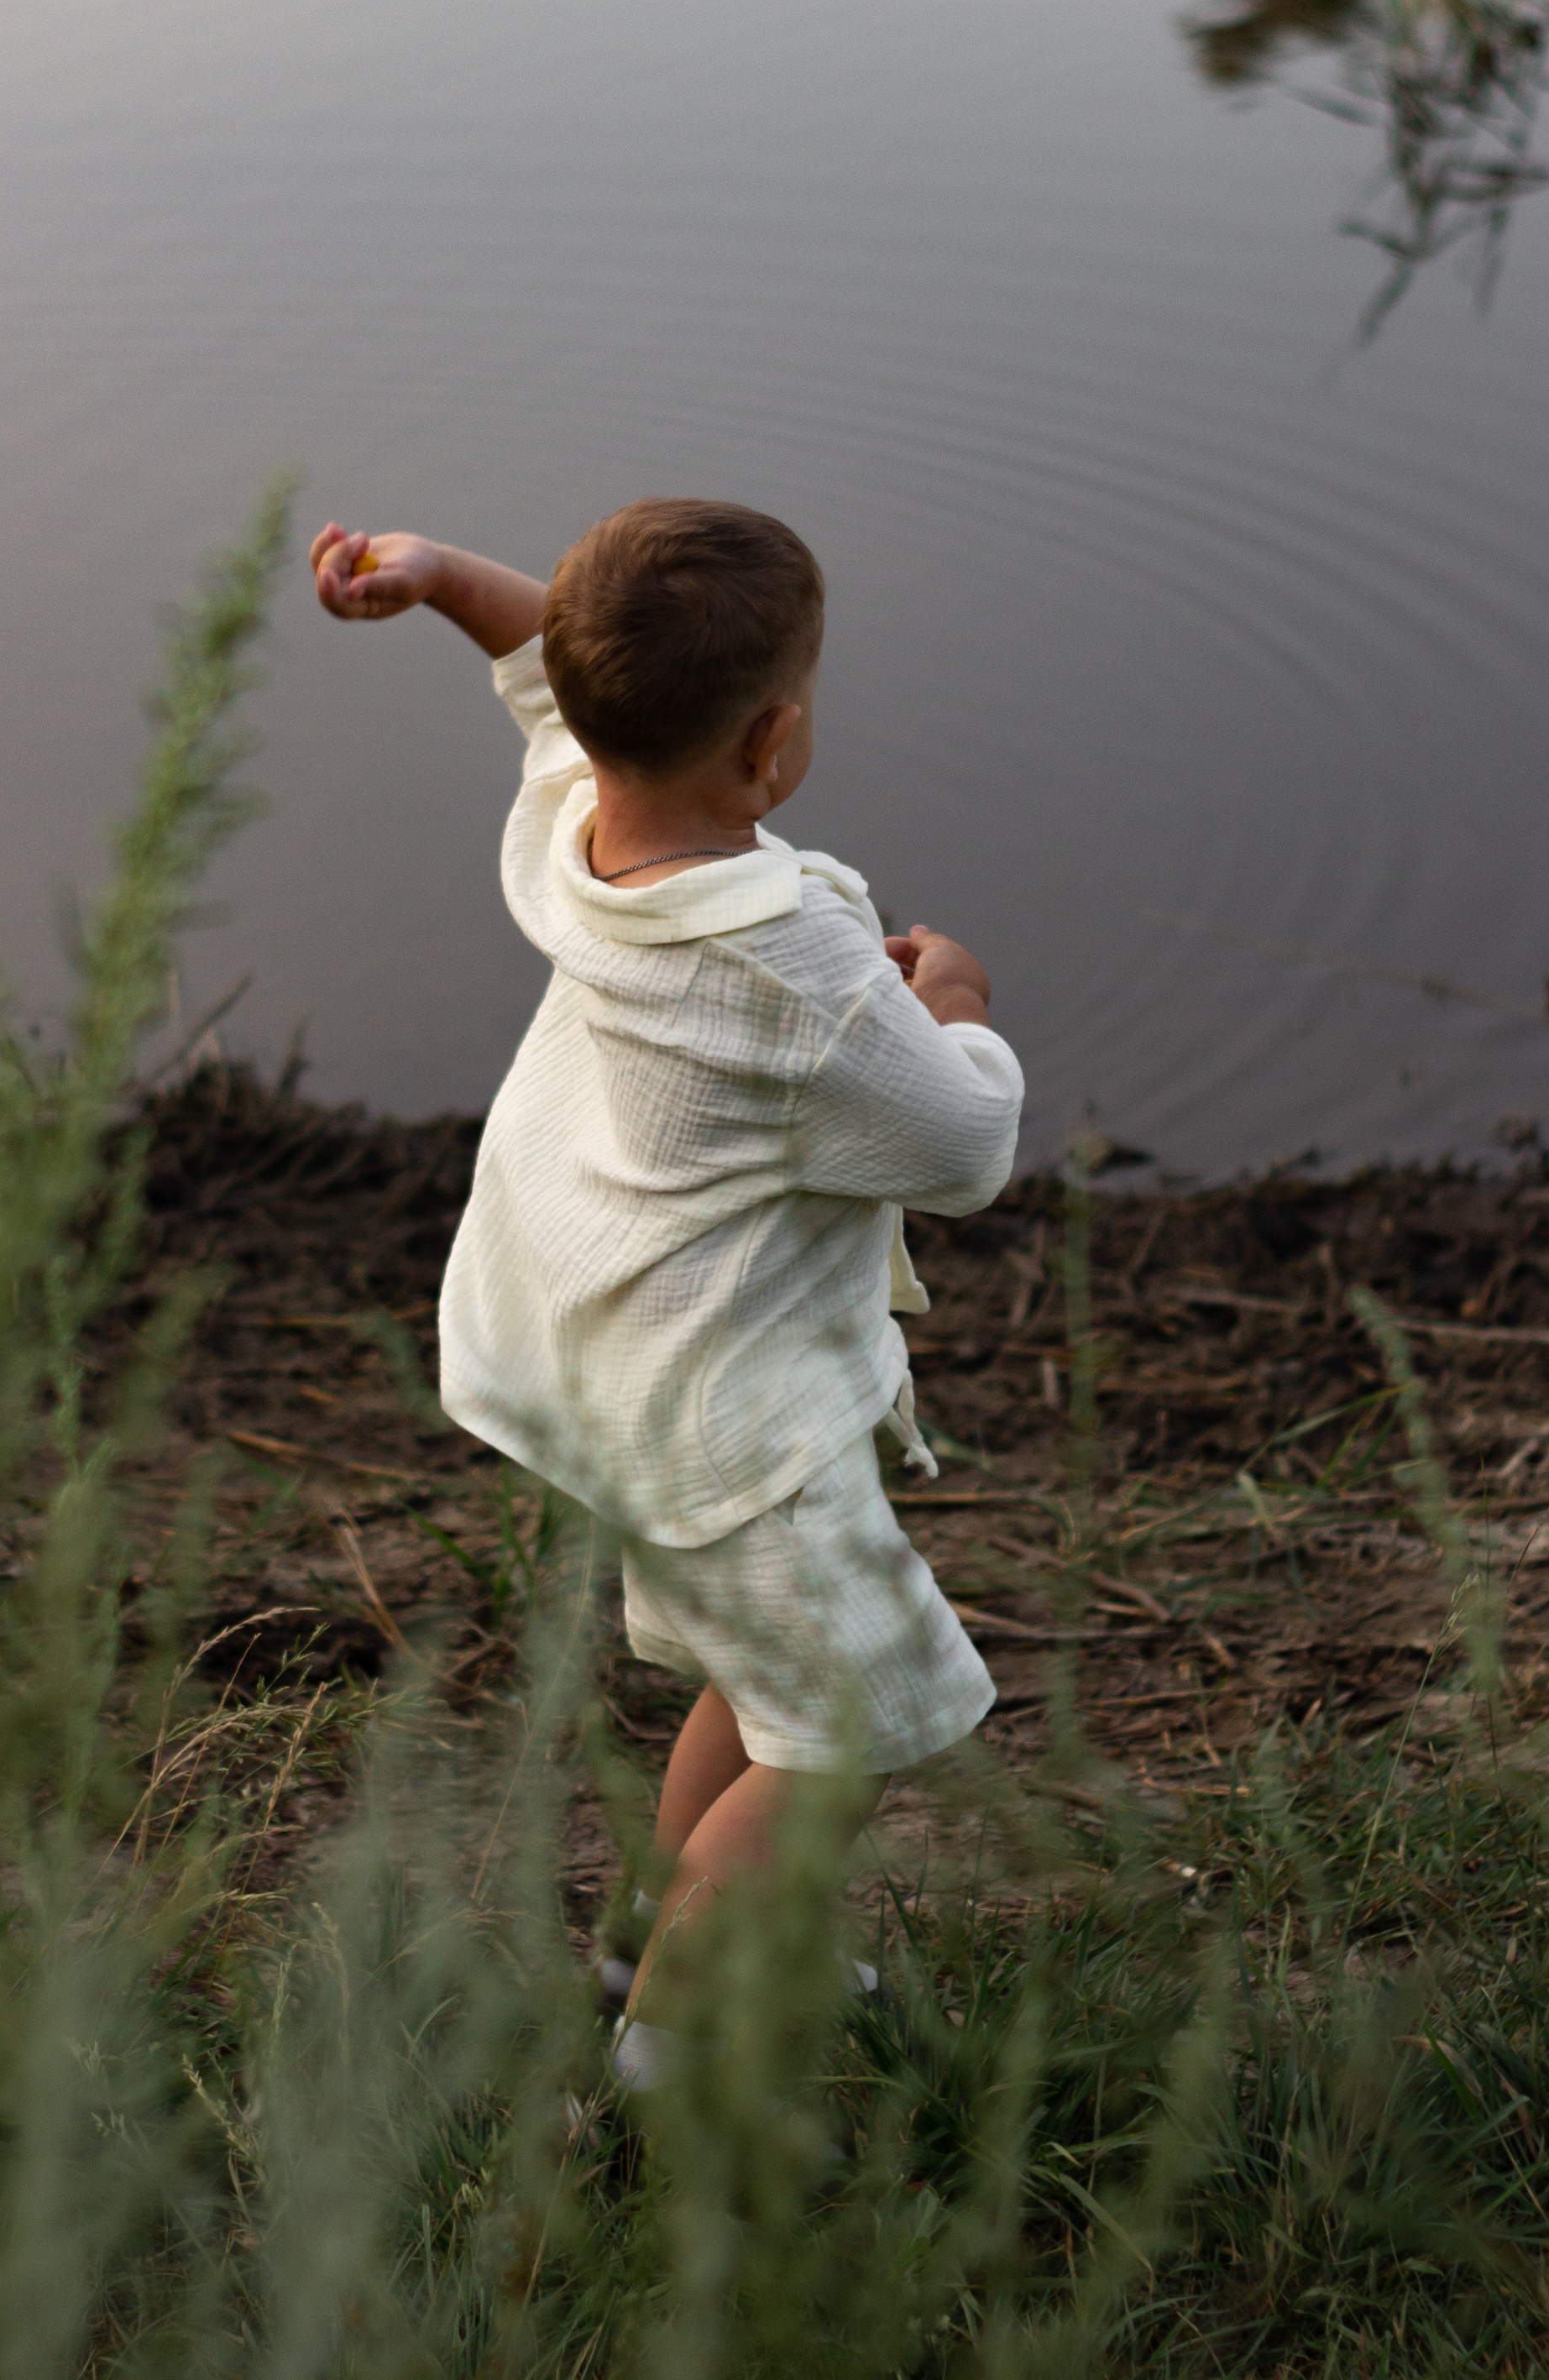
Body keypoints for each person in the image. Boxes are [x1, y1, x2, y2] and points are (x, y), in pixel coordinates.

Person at [310, 498, 1023, 2080]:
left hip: (615, 1364)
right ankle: (670, 2090)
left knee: (762, 1684)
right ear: (773, 745)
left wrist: (438, 582)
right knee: (843, 1741)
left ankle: (671, 1928)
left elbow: (529, 661)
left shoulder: (589, 825)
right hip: (730, 1426)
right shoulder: (797, 972)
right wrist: (960, 1007)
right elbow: (965, 1147)